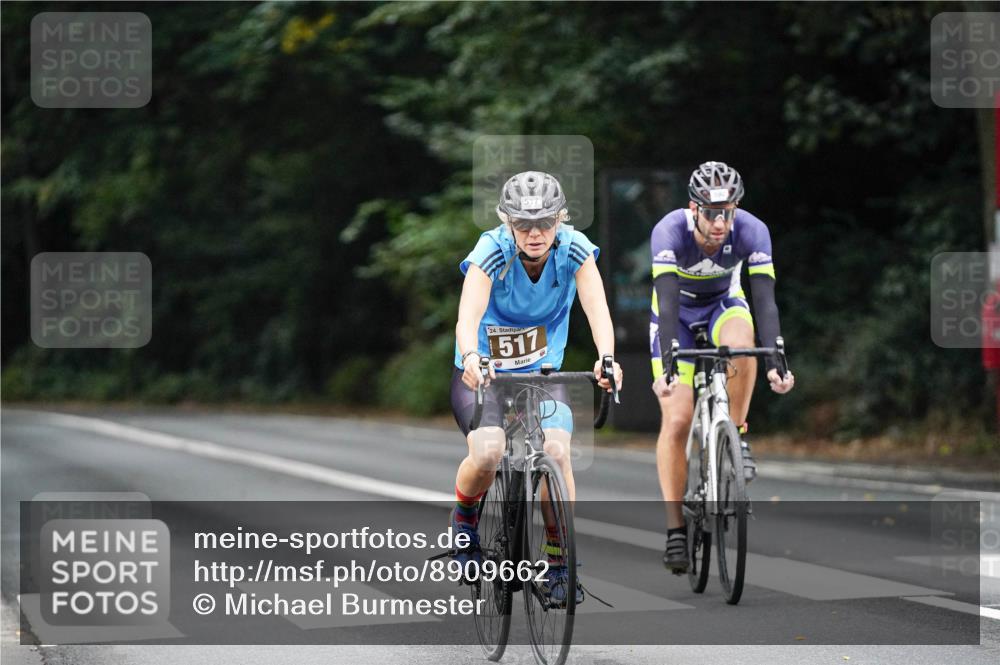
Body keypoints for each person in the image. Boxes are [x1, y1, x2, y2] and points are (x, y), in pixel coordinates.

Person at [451, 170, 623, 605]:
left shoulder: (574, 250)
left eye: (545, 223)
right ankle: (464, 521)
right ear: (507, 222)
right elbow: (467, 315)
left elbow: (597, 309)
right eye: (523, 225)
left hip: (541, 376)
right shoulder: (492, 250)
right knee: (488, 451)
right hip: (485, 375)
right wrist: (471, 356)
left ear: (560, 219)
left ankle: (560, 561)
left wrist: (607, 358)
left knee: (559, 452)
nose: (534, 234)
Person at [649, 161, 795, 573]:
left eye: (728, 212)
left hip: (722, 307)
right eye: (712, 213)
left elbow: (764, 300)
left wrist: (775, 362)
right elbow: (667, 297)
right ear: (693, 209)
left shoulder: (752, 230)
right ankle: (676, 530)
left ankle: (737, 433)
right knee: (677, 420)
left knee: (742, 346)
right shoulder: (668, 231)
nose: (720, 222)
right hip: (674, 315)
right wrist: (668, 366)